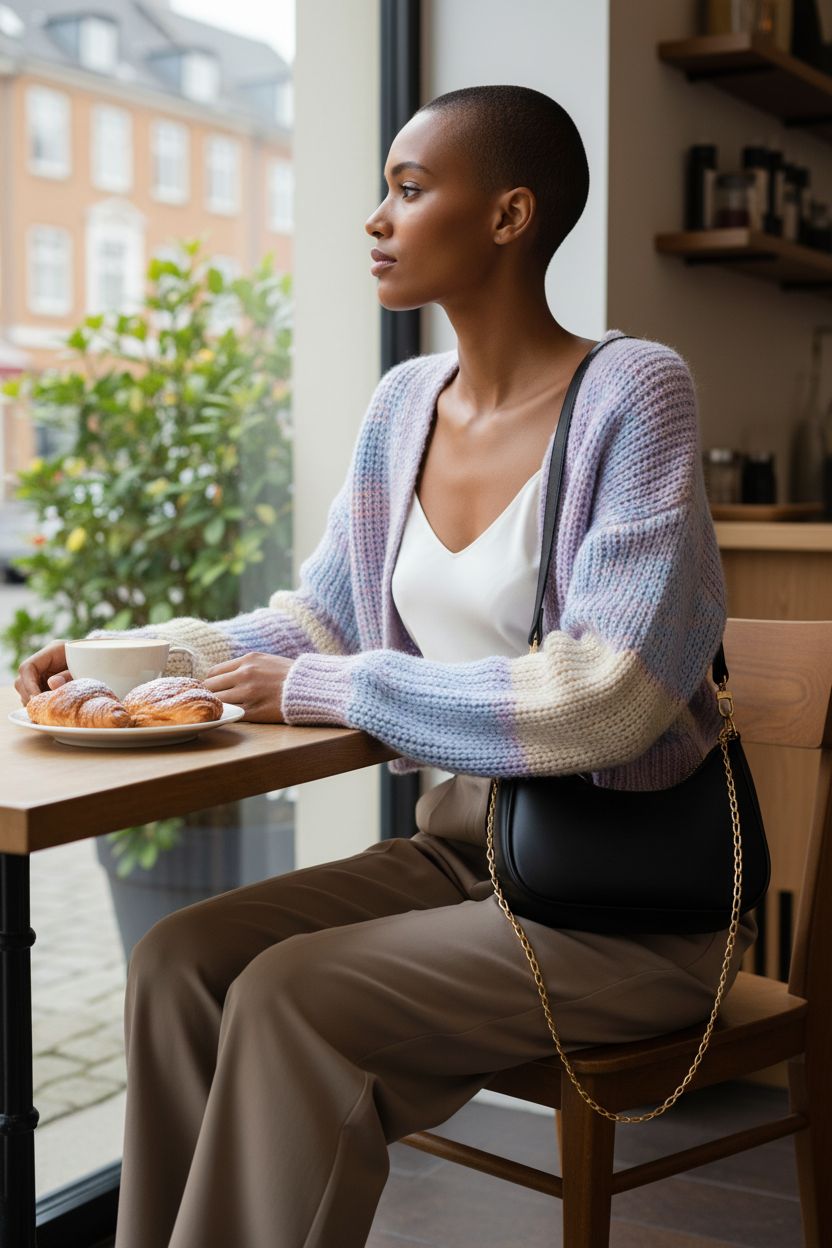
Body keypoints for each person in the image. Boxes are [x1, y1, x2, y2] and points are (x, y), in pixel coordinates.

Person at [16, 84, 757, 1248]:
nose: (375, 217)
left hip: (622, 909)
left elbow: (609, 698)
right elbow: (323, 620)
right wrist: (131, 660)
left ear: (509, 216)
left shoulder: (633, 392)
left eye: (409, 190)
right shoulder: (402, 403)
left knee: (289, 996)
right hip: (459, 852)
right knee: (181, 960)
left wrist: (337, 687)